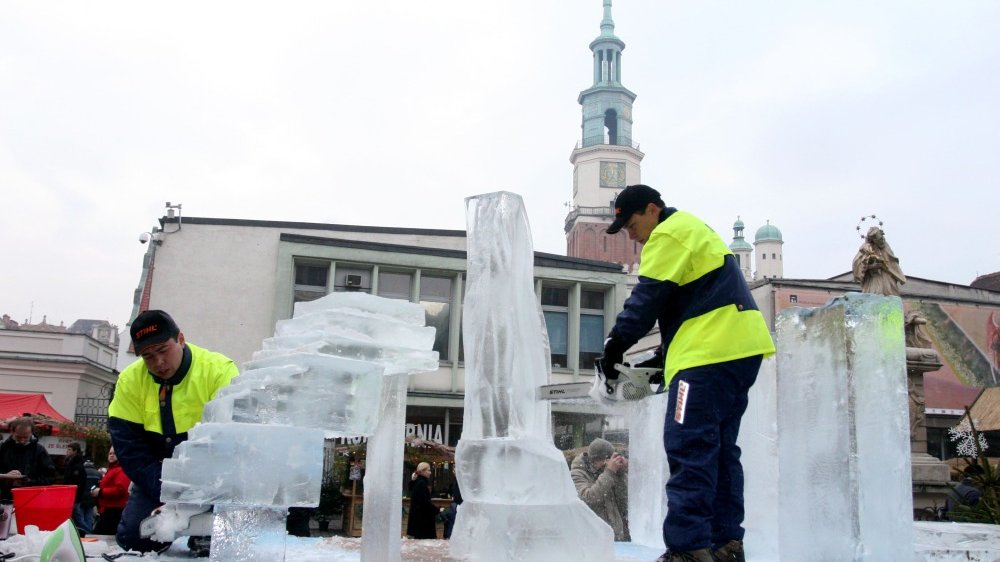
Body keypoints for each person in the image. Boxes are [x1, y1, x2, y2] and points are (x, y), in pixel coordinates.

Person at [600, 185, 776, 562]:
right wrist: (662, 358)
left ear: (652, 209)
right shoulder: (694, 231)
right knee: (721, 451)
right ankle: (726, 543)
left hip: (706, 356)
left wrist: (615, 345)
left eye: (632, 225)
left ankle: (687, 548)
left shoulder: (668, 232)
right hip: (738, 350)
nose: (632, 236)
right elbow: (697, 303)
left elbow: (646, 298)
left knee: (688, 445)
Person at [108, 310, 238, 553]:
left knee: (222, 542)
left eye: (163, 350)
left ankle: (203, 532)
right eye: (148, 356)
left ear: (180, 339)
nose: (158, 362)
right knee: (134, 539)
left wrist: (195, 494)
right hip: (156, 473)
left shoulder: (218, 370)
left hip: (212, 476)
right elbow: (129, 447)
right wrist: (165, 490)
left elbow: (229, 442)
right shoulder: (129, 381)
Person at [570, 438, 629, 541]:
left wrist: (621, 473)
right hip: (593, 539)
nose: (608, 463)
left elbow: (623, 503)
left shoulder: (609, 471)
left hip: (616, 536)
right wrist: (609, 472)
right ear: (594, 459)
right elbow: (588, 498)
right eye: (606, 460)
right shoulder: (577, 473)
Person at [0, 417, 55, 501]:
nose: (22, 441)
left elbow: (50, 478)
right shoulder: (3, 448)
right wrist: (6, 476)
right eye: (18, 437)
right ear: (12, 432)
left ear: (31, 433)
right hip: (5, 498)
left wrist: (28, 481)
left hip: (31, 499)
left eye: (26, 437)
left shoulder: (39, 450)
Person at [852, 225, 906, 296]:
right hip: (873, 278)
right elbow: (857, 265)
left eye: (881, 238)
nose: (880, 241)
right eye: (877, 239)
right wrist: (871, 266)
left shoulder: (885, 246)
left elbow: (892, 261)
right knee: (874, 295)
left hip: (887, 276)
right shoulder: (866, 248)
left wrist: (885, 265)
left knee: (891, 294)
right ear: (872, 240)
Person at [91, 447, 130, 536]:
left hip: (114, 510)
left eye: (114, 453)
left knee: (100, 535)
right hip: (108, 509)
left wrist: (101, 492)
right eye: (110, 453)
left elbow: (121, 489)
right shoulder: (112, 469)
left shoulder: (120, 469)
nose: (111, 455)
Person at [64, 442, 95, 536]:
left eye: (69, 450)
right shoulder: (71, 463)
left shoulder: (77, 466)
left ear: (75, 451)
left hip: (75, 496)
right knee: (76, 517)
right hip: (72, 495)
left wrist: (75, 498)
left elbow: (79, 484)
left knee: (78, 517)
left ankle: (89, 532)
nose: (67, 451)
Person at [406, 462, 437, 539]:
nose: (430, 472)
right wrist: (437, 509)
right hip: (422, 522)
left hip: (419, 521)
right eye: (428, 470)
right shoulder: (421, 483)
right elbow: (424, 502)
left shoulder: (417, 482)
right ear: (422, 471)